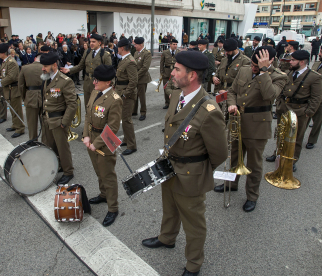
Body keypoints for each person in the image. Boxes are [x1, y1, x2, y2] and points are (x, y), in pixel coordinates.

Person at [142, 50, 228, 276]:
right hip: (169, 167)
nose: (172, 72)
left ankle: (193, 264)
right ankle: (167, 238)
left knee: (194, 224)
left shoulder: (209, 111)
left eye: (177, 69)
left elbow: (219, 154)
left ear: (192, 76)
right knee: (169, 209)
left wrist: (197, 171)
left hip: (191, 175)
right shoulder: (176, 96)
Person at [214, 47, 288, 212]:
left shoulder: (279, 77)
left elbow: (270, 95)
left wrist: (263, 72)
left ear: (269, 62)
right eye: (253, 64)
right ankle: (230, 184)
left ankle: (252, 196)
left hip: (258, 125)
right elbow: (232, 91)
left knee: (254, 164)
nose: (253, 68)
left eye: (257, 65)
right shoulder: (245, 69)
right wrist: (232, 102)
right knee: (233, 156)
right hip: (238, 120)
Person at [266, 50, 322, 172]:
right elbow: (281, 89)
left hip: (300, 111)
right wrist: (279, 103)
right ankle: (278, 154)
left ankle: (292, 160)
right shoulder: (288, 73)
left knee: (296, 137)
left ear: (302, 62)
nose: (290, 62)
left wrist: (308, 112)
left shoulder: (314, 77)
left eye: (293, 60)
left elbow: (316, 98)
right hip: (284, 108)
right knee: (281, 133)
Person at [83, 64, 122, 227]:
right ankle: (103, 194)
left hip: (106, 140)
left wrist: (96, 143)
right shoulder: (95, 92)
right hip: (91, 137)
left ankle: (113, 208)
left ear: (108, 82)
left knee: (108, 175)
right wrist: (85, 135)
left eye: (97, 80)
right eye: (94, 79)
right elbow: (88, 115)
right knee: (99, 170)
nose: (94, 82)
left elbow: (113, 127)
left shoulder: (114, 100)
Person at [40, 51, 77, 184]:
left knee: (62, 148)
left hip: (58, 120)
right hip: (47, 120)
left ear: (54, 65)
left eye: (45, 66)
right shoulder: (47, 79)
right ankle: (58, 166)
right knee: (50, 146)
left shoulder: (65, 81)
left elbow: (72, 104)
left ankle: (68, 172)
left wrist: (65, 122)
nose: (43, 68)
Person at [60, 33, 112, 107]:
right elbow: (80, 66)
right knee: (88, 105)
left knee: (98, 107)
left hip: (99, 84)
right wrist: (69, 70)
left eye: (94, 42)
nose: (91, 43)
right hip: (87, 83)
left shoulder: (105, 55)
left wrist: (110, 86)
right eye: (90, 42)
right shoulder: (87, 52)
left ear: (99, 43)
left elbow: (109, 71)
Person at [0, 43, 25, 138]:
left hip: (14, 89)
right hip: (8, 90)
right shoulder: (5, 61)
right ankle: (15, 124)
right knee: (12, 109)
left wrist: (2, 82)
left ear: (3, 53)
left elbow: (11, 77)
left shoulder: (11, 62)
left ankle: (20, 128)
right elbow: (2, 73)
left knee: (16, 110)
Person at [115, 38, 138, 155]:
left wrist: (125, 94)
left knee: (127, 120)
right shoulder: (124, 59)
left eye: (118, 47)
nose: (117, 49)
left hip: (127, 95)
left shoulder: (130, 61)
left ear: (122, 48)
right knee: (123, 119)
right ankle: (126, 139)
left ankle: (132, 145)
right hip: (121, 93)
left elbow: (133, 81)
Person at [18, 53, 43, 140]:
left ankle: (33, 141)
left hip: (30, 96)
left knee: (31, 124)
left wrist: (25, 97)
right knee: (46, 123)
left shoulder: (25, 68)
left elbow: (21, 85)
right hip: (44, 96)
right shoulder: (46, 68)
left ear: (35, 58)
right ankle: (47, 142)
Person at [132, 37, 152, 121]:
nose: (134, 46)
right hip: (135, 77)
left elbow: (145, 68)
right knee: (134, 95)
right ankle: (134, 111)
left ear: (140, 44)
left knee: (142, 96)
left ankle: (143, 112)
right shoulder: (136, 52)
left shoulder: (147, 53)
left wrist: (136, 76)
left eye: (135, 44)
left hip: (142, 78)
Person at [160, 39, 181, 109]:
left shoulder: (179, 52)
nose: (175, 46)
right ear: (170, 45)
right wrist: (162, 73)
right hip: (166, 73)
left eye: (176, 44)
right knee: (166, 88)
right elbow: (161, 63)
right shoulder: (165, 52)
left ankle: (174, 102)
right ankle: (167, 103)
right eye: (174, 44)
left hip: (176, 73)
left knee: (176, 87)